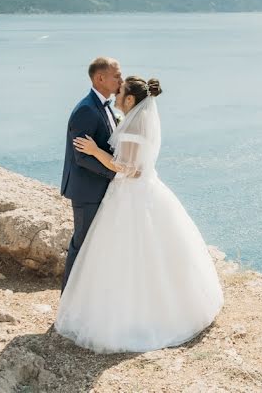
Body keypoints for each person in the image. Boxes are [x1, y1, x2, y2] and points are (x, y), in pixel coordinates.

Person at [54, 76, 224, 353]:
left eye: (120, 92)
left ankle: (128, 315)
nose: (116, 95)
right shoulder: (137, 121)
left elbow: (130, 169)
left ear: (130, 100)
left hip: (130, 194)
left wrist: (96, 151)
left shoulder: (133, 128)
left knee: (127, 254)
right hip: (141, 192)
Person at [60, 57, 123, 292]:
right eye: (116, 75)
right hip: (87, 190)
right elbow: (82, 157)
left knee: (98, 245)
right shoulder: (86, 110)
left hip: (102, 188)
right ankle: (68, 299)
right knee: (82, 244)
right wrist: (114, 172)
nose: (120, 79)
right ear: (100, 78)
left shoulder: (105, 107)